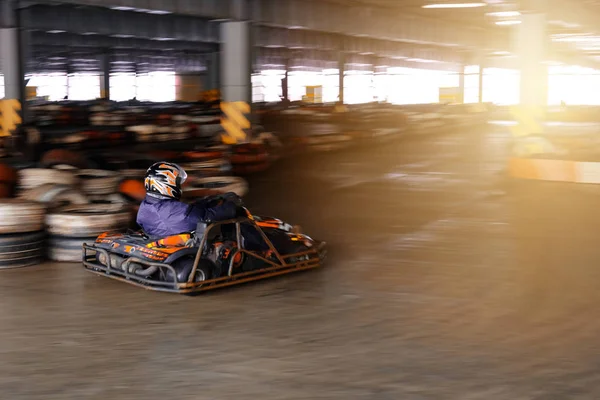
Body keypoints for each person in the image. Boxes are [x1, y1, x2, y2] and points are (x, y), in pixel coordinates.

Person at [136, 162, 240, 237]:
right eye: (176, 183)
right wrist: (232, 207)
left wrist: (208, 201)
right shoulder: (175, 211)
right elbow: (204, 217)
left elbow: (191, 211)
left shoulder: (147, 205)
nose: (179, 186)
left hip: (162, 240)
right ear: (164, 185)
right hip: (186, 253)